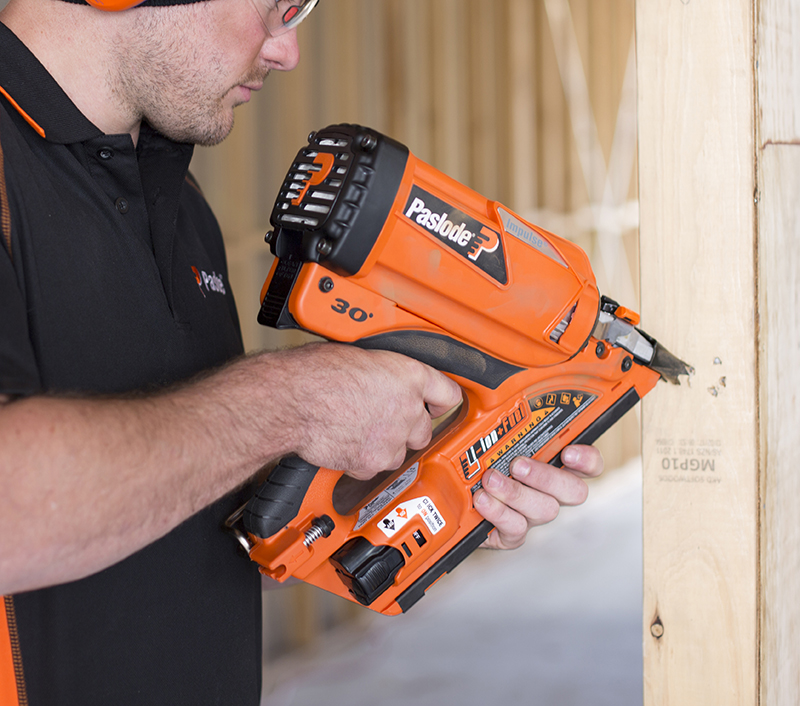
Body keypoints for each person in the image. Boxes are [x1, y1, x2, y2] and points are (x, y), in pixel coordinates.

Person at [0, 0, 605, 703]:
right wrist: (291, 402)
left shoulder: (172, 195)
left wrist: (426, 489)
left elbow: (180, 499)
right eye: (274, 7)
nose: (286, 51)